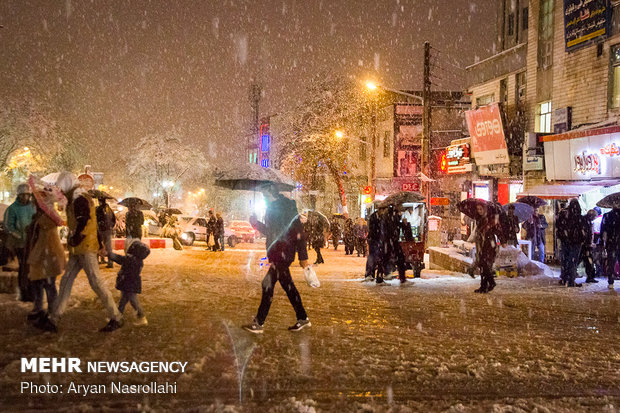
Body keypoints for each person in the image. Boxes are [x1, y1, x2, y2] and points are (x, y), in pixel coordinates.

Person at [36, 172, 123, 333]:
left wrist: (77, 236)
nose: (61, 192)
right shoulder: (81, 198)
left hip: (84, 247)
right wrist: (98, 241)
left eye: (62, 189)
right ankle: (54, 318)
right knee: (66, 281)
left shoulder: (79, 199)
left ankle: (116, 317)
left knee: (95, 282)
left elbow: (84, 221)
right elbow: (92, 221)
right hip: (81, 246)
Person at [243, 183, 310, 333]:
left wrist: (303, 257)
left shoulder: (287, 208)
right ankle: (302, 317)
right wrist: (255, 223)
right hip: (277, 253)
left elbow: (298, 232)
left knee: (267, 285)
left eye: (265, 195)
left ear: (272, 194)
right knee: (288, 286)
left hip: (284, 253)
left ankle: (259, 323)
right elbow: (271, 231)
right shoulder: (272, 209)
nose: (264, 198)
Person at [25, 191, 66, 322]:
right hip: (42, 255)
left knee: (49, 284)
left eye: (35, 201)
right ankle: (40, 308)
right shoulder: (40, 216)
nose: (33, 203)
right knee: (38, 283)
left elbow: (45, 239)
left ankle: (52, 311)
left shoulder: (47, 218)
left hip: (46, 256)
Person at [3, 183, 36, 302]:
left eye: (27, 195)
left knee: (31, 267)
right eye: (23, 195)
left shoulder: (33, 207)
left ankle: (32, 291)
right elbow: (8, 226)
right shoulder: (12, 209)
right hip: (20, 244)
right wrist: (19, 235)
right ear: (19, 196)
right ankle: (24, 292)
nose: (25, 198)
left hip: (32, 242)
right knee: (23, 267)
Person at [108, 240, 150, 326]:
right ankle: (117, 316)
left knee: (133, 301)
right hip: (130, 284)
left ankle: (141, 317)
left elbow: (120, 259)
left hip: (129, 284)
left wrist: (109, 254)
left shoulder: (131, 260)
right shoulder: (138, 261)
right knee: (123, 301)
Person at [472, 203, 504, 293]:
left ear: (485, 209)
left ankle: (490, 282)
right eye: (478, 209)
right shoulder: (479, 219)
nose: (479, 211)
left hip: (489, 244)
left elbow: (498, 230)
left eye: (481, 209)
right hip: (482, 244)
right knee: (482, 265)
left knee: (485, 265)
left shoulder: (491, 219)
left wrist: (503, 240)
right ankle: (483, 286)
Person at [556, 199, 587, 288]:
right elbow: (582, 230)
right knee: (573, 261)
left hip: (565, 241)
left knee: (565, 260)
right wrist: (582, 240)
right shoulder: (579, 217)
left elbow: (559, 227)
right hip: (575, 242)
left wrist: (562, 237)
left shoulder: (563, 214)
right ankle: (570, 280)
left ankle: (564, 278)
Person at [600, 201, 620, 290]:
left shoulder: (607, 216)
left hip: (611, 243)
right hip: (616, 242)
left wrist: (602, 242)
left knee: (611, 262)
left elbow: (603, 230)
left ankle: (611, 281)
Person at [96, 197, 116, 268]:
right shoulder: (109, 209)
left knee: (99, 245)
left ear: (99, 201)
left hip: (101, 229)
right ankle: (110, 262)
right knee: (108, 246)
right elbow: (114, 219)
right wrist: (111, 226)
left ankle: (100, 260)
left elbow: (96, 219)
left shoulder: (98, 209)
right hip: (108, 230)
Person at [581, 209, 598, 283]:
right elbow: (586, 235)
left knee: (587, 261)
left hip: (584, 245)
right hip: (585, 245)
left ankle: (590, 276)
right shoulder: (586, 222)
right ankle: (590, 277)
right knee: (588, 261)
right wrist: (588, 244)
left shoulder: (584, 221)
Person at [365, 211, 382, 281]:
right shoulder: (374, 217)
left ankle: (374, 275)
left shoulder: (377, 217)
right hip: (375, 240)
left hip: (376, 240)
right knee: (373, 257)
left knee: (376, 258)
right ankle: (370, 274)